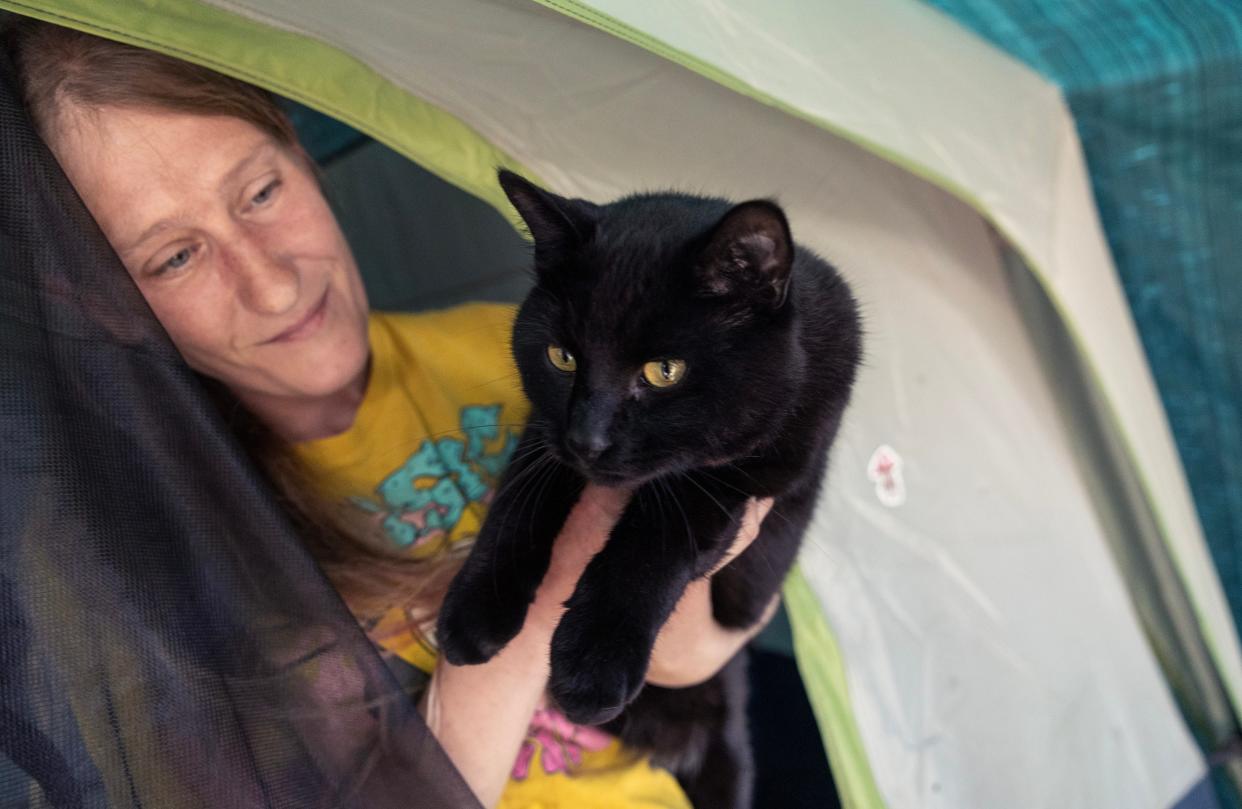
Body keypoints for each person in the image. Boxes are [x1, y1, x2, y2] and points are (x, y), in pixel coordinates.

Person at [6, 20, 778, 809]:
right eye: (175, 256)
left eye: (261, 192)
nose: (273, 285)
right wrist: (542, 606)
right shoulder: (102, 564)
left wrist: (672, 565)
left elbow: (689, 659)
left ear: (302, 150)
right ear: (96, 301)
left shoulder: (524, 362)